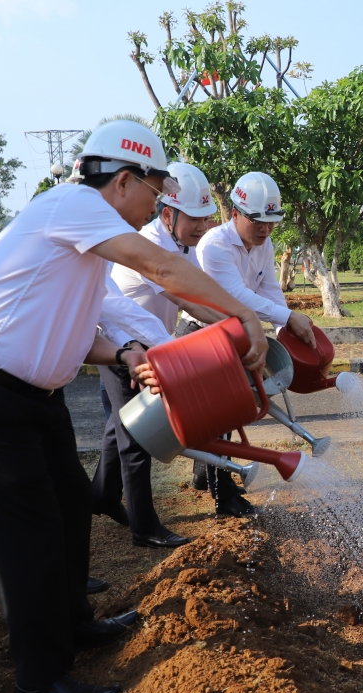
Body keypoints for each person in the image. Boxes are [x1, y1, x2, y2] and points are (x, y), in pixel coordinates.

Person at [0, 121, 269, 693]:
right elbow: (160, 268)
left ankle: (74, 625)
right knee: (29, 537)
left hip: (33, 398)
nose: (157, 205)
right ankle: (39, 683)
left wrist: (130, 355)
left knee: (68, 512)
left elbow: (82, 331)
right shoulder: (73, 205)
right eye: (156, 190)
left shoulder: (82, 243)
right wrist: (242, 315)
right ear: (125, 180)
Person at [94, 161, 228, 546]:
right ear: (168, 214)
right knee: (137, 436)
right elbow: (187, 298)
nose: (202, 228)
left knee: (118, 427)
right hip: (124, 347)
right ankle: (144, 528)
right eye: (195, 219)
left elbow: (201, 294)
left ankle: (100, 497)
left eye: (206, 219)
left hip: (148, 346)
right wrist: (238, 325)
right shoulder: (150, 247)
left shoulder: (183, 246)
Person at [187, 170, 317, 515]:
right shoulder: (215, 245)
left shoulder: (264, 244)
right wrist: (287, 318)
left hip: (235, 336)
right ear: (235, 214)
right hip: (202, 336)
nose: (266, 229)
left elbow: (269, 290)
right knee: (221, 415)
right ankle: (224, 498)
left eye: (271, 222)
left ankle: (207, 475)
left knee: (224, 417)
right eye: (258, 221)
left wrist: (287, 327)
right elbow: (237, 296)